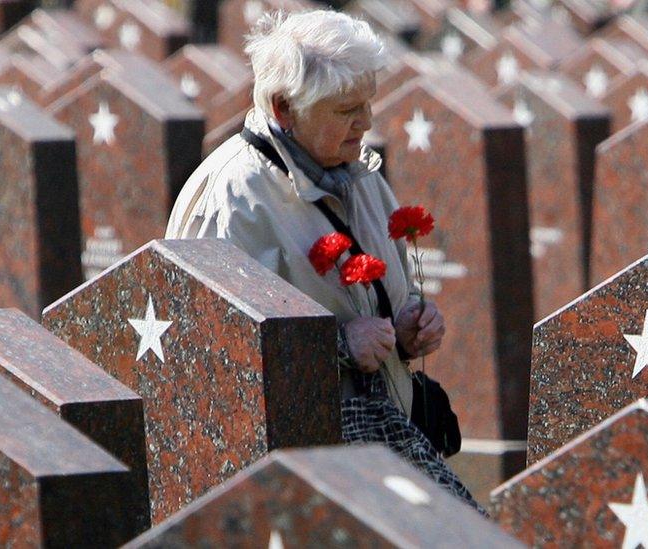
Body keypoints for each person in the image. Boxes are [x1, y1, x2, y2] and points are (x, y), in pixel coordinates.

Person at [165, 9, 482, 512]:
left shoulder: (360, 175)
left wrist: (408, 324)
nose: (366, 122)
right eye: (345, 109)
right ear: (284, 107)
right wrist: (337, 345)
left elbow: (387, 288)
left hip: (381, 440)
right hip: (297, 471)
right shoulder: (231, 199)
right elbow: (208, 356)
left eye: (368, 103)